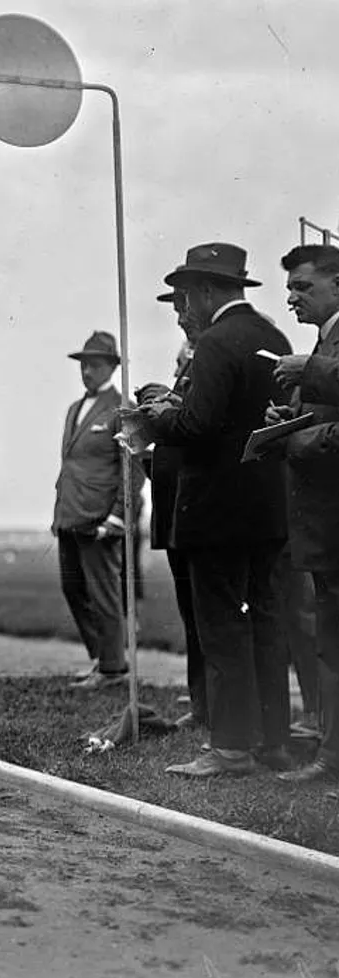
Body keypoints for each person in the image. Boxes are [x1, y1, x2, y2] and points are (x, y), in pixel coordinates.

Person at [135, 242, 292, 777]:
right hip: (267, 507)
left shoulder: (215, 343)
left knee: (222, 628)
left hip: (216, 509)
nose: (183, 308)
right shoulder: (273, 336)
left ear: (204, 292)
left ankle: (229, 747)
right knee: (266, 623)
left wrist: (158, 415)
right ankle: (273, 742)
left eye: (184, 297)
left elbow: (197, 426)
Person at [266, 244, 339, 784]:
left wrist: (297, 440)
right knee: (330, 642)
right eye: (289, 288)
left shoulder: (322, 350)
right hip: (322, 523)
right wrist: (286, 421)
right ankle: (331, 757)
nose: (291, 298)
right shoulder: (323, 340)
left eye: (303, 287)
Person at [53, 330, 144, 691]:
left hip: (100, 519)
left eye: (94, 364)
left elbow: (133, 469)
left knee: (104, 593)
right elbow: (71, 466)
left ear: (112, 366)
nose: (87, 371)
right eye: (83, 365)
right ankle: (103, 658)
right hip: (70, 515)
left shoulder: (123, 410)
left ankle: (113, 668)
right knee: (73, 588)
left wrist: (119, 516)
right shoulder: (74, 410)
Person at [137, 288, 208, 731]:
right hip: (176, 509)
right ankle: (203, 703)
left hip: (200, 509)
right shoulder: (189, 369)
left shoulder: (213, 366)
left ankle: (214, 706)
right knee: (193, 614)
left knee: (208, 614)